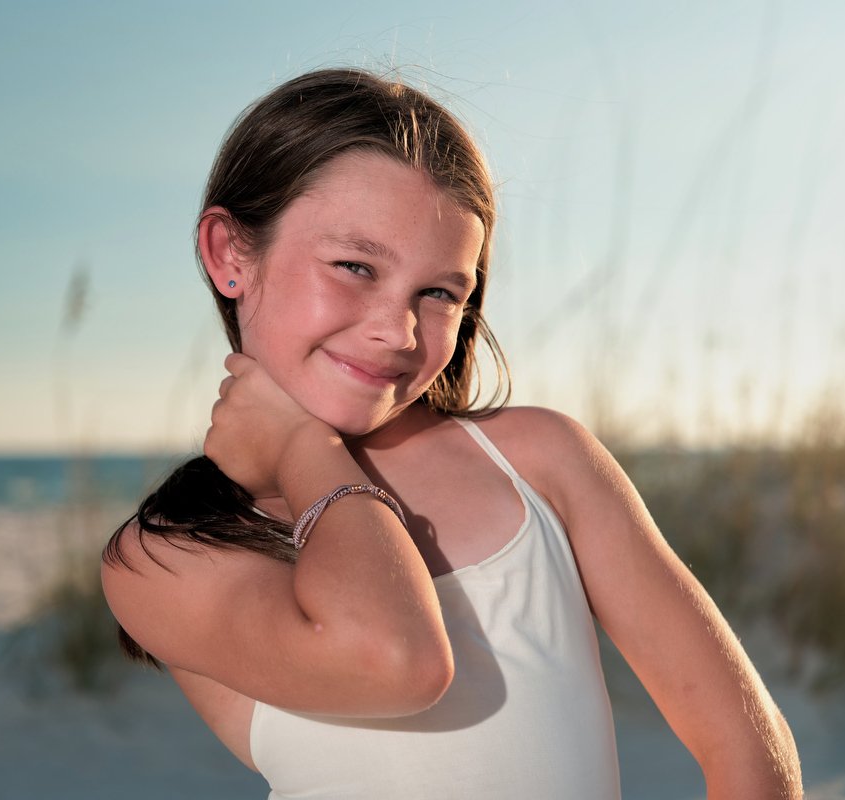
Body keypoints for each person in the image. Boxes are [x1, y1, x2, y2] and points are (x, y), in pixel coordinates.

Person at [102, 68, 802, 798]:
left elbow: (746, 745)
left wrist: (303, 450)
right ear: (230, 254)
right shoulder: (166, 555)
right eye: (354, 266)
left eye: (438, 292)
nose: (397, 330)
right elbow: (395, 659)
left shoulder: (539, 462)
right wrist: (305, 450)